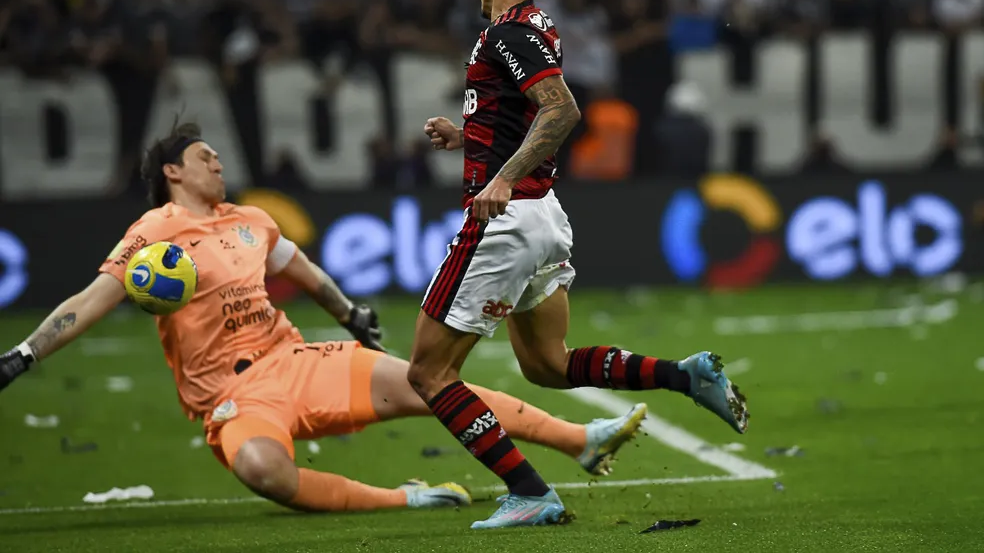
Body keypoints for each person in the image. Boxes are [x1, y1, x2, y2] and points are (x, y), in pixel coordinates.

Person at [0, 122, 649, 514]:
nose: (218, 162)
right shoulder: (153, 236)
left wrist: (351, 313)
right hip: (230, 396)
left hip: (297, 361)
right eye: (204, 157)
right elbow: (87, 301)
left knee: (432, 381)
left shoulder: (252, 220)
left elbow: (306, 272)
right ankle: (407, 496)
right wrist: (24, 354)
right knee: (264, 473)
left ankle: (581, 439)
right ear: (172, 171)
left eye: (218, 156)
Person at [407, 0, 750, 530]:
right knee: (548, 365)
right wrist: (469, 139)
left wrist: (502, 177)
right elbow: (520, 113)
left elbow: (561, 109)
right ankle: (686, 375)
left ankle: (529, 490)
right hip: (543, 217)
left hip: (508, 220)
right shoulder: (536, 26)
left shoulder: (510, 32)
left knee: (429, 373)